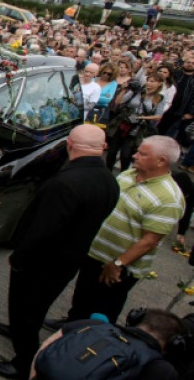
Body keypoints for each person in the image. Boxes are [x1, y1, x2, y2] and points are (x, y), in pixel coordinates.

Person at [0, 124, 120, 379]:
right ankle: (16, 330)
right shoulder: (110, 182)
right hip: (69, 261)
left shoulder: (67, 183)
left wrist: (19, 258)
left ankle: (24, 362)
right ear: (102, 148)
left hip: (41, 264)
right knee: (37, 307)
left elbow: (42, 230)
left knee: (26, 311)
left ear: (69, 145)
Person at [48, 136, 184, 328]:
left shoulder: (169, 198)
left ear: (161, 161)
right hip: (95, 253)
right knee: (82, 296)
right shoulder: (130, 174)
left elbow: (150, 240)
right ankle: (71, 326)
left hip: (118, 267)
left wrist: (118, 263)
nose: (135, 155)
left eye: (142, 154)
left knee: (103, 310)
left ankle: (88, 348)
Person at [32, 309, 184, 380]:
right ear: (172, 345)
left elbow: (46, 346)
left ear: (135, 318)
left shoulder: (93, 324)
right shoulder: (160, 369)